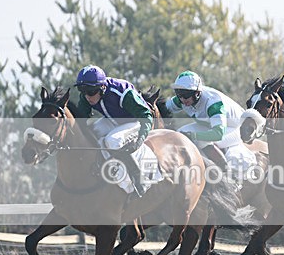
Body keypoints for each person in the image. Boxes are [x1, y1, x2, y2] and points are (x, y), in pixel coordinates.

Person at [74, 65, 153, 197]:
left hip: (136, 122)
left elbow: (146, 116)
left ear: (102, 87)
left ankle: (138, 179)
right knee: (92, 133)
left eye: (91, 91)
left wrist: (140, 139)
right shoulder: (87, 96)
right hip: (113, 120)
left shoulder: (122, 93)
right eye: (82, 90)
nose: (87, 96)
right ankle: (99, 171)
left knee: (112, 141)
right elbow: (80, 121)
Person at [163, 70, 247, 171]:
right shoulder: (181, 100)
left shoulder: (213, 103)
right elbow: (160, 109)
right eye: (179, 94)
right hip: (211, 126)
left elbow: (218, 134)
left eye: (186, 95)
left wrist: (193, 136)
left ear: (197, 93)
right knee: (179, 134)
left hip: (237, 129)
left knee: (201, 139)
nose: (182, 99)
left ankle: (226, 172)